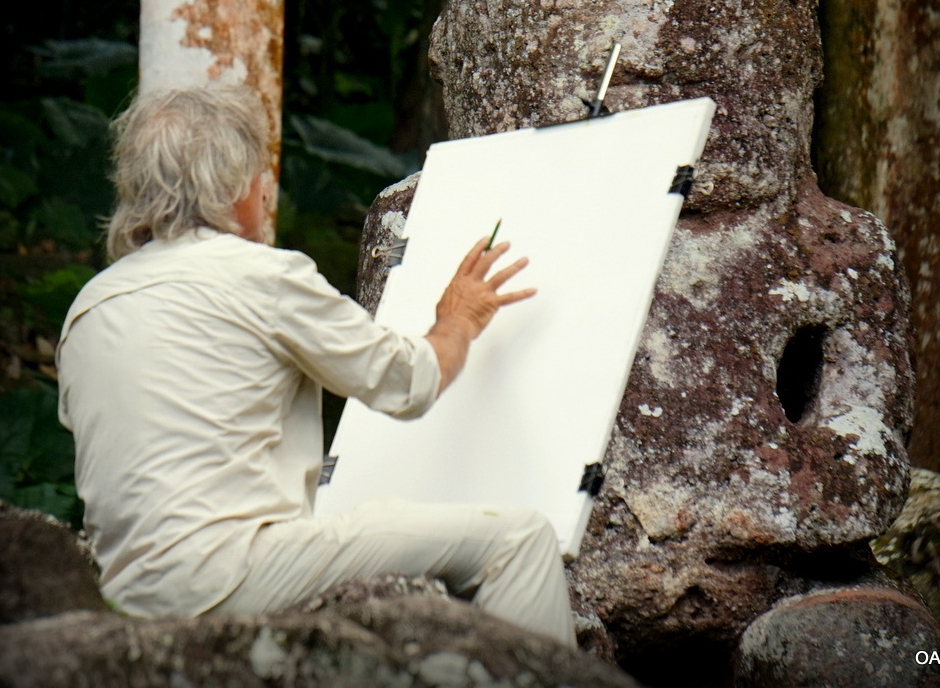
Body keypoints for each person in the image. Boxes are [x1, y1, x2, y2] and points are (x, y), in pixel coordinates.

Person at [56, 84, 576, 646]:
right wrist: (457, 320)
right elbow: (410, 381)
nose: (264, 196)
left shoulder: (87, 308)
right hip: (231, 576)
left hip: (125, 595)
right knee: (519, 540)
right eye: (260, 180)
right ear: (233, 187)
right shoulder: (260, 276)